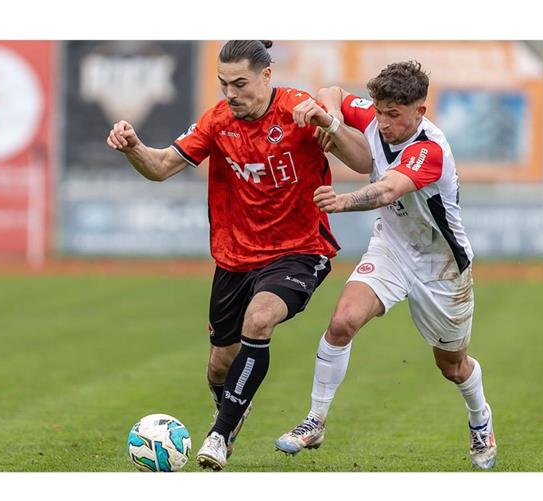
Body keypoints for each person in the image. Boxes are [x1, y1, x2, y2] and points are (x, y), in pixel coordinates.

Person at [106, 40, 371, 471]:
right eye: (224, 84)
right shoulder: (216, 121)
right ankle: (234, 404)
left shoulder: (298, 110)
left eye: (241, 83)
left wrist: (331, 124)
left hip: (300, 250)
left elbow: (362, 162)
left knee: (260, 319)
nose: (231, 93)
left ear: (267, 76)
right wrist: (134, 146)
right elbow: (159, 168)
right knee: (219, 367)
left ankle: (220, 434)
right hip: (234, 258)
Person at [275, 60, 498, 469]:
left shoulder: (429, 151)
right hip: (392, 248)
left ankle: (480, 419)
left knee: (451, 366)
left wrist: (341, 201)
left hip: (441, 265)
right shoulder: (377, 117)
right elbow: (334, 92)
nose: (383, 122)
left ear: (420, 112)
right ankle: (315, 420)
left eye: (394, 115)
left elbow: (387, 189)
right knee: (342, 321)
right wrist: (333, 120)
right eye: (379, 111)